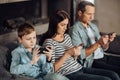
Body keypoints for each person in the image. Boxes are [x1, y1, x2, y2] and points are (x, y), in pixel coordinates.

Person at [41, 10, 120, 80]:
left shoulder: (67, 37)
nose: (65, 28)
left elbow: (73, 58)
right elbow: (51, 70)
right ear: (54, 24)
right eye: (62, 25)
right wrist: (67, 53)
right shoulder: (49, 42)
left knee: (113, 74)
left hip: (80, 68)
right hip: (69, 74)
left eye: (66, 24)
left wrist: (76, 53)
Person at [69, 0, 120, 76]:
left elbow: (104, 48)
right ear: (80, 13)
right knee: (115, 73)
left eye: (93, 14)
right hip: (92, 61)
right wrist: (98, 43)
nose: (92, 17)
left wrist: (107, 41)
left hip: (103, 55)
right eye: (89, 14)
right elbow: (80, 55)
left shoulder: (93, 26)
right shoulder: (74, 30)